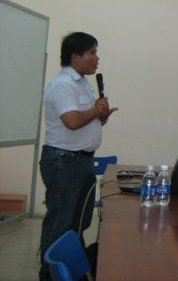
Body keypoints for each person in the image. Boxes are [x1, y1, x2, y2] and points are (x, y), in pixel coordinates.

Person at [39, 32, 118, 281]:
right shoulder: (62, 85)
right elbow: (72, 121)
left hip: (81, 160)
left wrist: (101, 116)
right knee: (60, 223)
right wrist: (96, 110)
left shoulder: (83, 83)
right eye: (92, 53)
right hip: (64, 162)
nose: (97, 58)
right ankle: (49, 275)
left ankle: (71, 272)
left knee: (79, 222)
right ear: (75, 57)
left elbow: (86, 119)